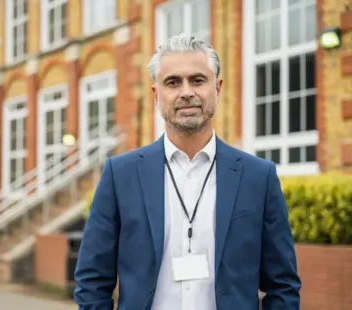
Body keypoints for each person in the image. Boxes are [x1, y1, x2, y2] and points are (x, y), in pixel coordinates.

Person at [74, 33, 301, 310]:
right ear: (157, 94)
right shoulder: (119, 175)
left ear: (217, 88)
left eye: (197, 80)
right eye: (173, 82)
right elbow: (92, 281)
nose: (186, 92)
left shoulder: (259, 177)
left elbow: (283, 285)